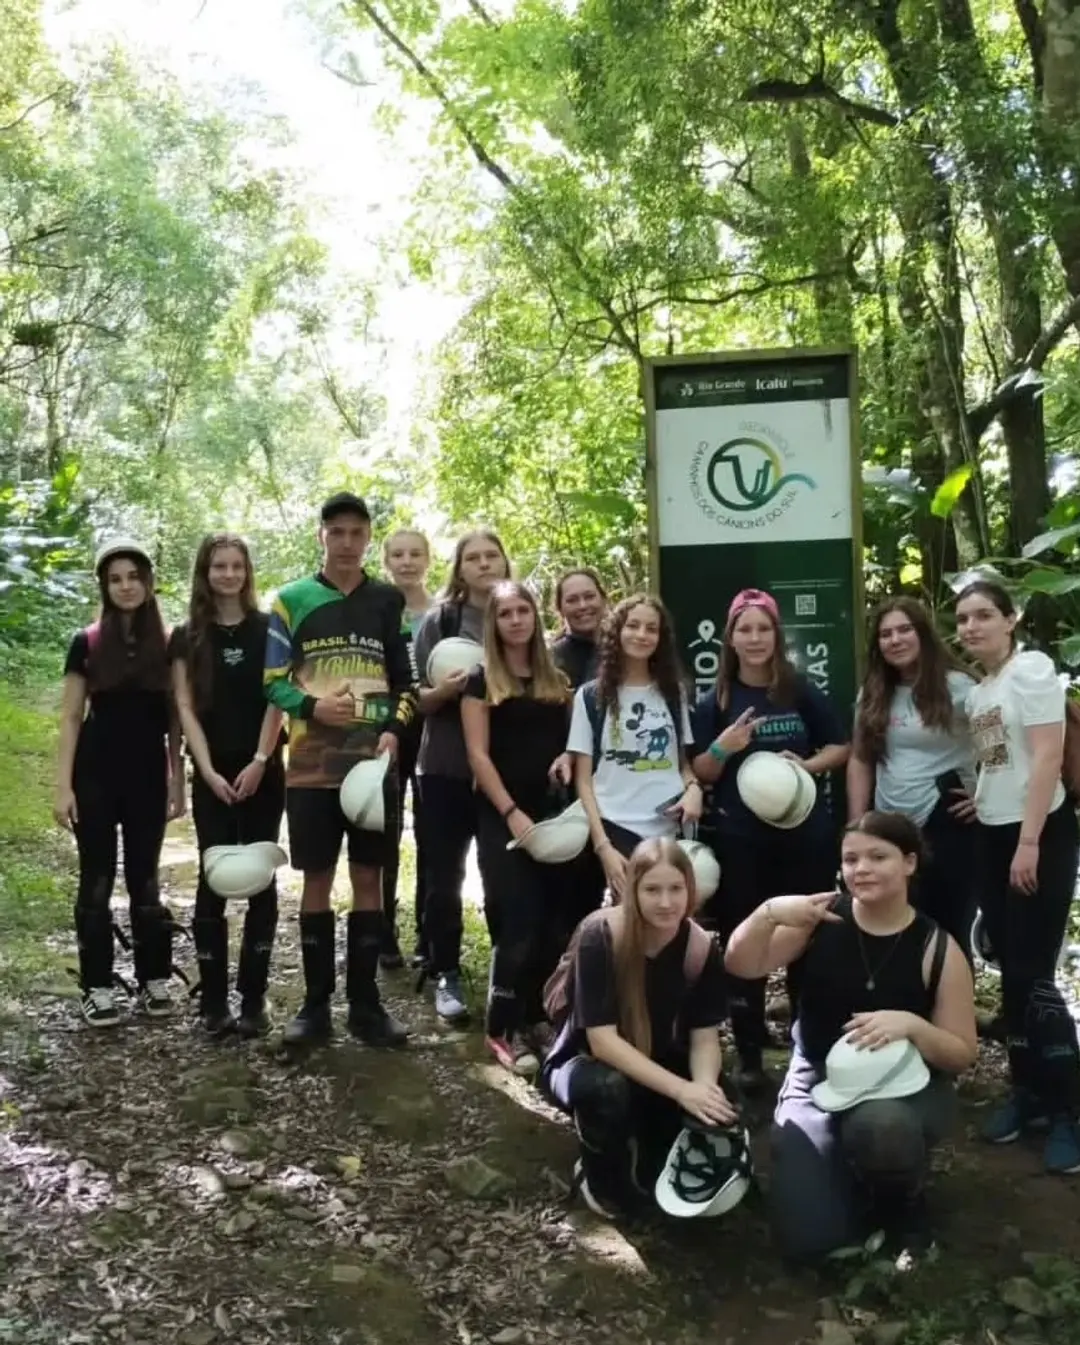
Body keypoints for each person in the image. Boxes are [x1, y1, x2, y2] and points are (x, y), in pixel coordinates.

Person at [725, 811, 976, 1261]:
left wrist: (913, 1026)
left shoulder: (938, 948)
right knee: (809, 1242)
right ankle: (842, 1176)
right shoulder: (821, 920)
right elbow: (742, 965)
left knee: (881, 1129)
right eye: (850, 859)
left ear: (909, 863)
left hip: (902, 1088)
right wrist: (767, 913)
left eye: (878, 857)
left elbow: (961, 1054)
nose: (861, 869)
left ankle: (901, 1204)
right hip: (817, 1075)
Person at [264, 492, 417, 1048]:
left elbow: (407, 685)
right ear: (321, 536)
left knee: (370, 876)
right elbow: (272, 682)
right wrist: (311, 707)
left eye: (357, 533)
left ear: (368, 537)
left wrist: (393, 731)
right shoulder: (290, 601)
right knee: (318, 879)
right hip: (310, 768)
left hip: (373, 769)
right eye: (337, 532)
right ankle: (315, 1006)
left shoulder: (388, 601)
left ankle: (366, 1005)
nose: (347, 543)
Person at [691, 588, 849, 1091]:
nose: (755, 638)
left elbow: (842, 747)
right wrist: (724, 747)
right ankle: (750, 1054)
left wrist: (806, 766)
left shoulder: (798, 690)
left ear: (776, 636)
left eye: (764, 629)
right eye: (745, 629)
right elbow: (701, 771)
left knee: (809, 935)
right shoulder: (715, 700)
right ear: (731, 638)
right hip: (741, 840)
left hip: (806, 836)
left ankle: (808, 1048)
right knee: (744, 937)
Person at [540, 837, 734, 1220]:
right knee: (607, 1090)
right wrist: (682, 1090)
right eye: (652, 890)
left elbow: (704, 1037)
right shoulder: (601, 935)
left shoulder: (699, 947)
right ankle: (599, 1177)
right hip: (584, 1064)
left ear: (691, 890)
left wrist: (704, 1090)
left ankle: (647, 1149)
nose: (666, 902)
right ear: (633, 891)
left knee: (723, 1103)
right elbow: (602, 1041)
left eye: (676, 888)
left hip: (661, 1061)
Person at [956, 579, 1080, 1172]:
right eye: (963, 619)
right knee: (1010, 972)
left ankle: (1068, 1109)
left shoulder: (1031, 670)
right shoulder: (981, 691)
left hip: (1039, 834)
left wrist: (1029, 841)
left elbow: (1047, 755)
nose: (971, 627)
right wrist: (980, 798)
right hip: (993, 835)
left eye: (984, 615)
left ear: (1011, 619)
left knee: (1034, 977)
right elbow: (1000, 763)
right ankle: (1027, 1090)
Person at [54, 537, 185, 1027]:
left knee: (144, 879)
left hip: (148, 775)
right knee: (97, 878)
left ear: (148, 583)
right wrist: (62, 786)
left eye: (133, 577)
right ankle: (98, 987)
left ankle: (154, 980)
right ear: (105, 587)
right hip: (94, 774)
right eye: (115, 579)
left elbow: (177, 719)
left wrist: (178, 781)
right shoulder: (86, 642)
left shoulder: (171, 643)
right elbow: (71, 717)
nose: (125, 586)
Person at [170, 533, 285, 1038]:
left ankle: (254, 998)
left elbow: (278, 698)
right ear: (205, 572)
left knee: (261, 878)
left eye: (237, 566)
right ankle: (213, 1002)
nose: (229, 574)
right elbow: (185, 707)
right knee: (212, 877)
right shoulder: (186, 636)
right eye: (219, 566)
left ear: (247, 572)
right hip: (212, 772)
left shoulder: (270, 627)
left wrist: (261, 759)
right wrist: (207, 770)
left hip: (264, 768)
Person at [461, 580, 574, 1074]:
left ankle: (537, 1018)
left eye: (522, 611)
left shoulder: (558, 680)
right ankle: (501, 1028)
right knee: (518, 921)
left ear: (535, 616)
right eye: (505, 614)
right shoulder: (480, 680)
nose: (515, 621)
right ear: (494, 622)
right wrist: (510, 812)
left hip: (553, 815)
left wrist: (567, 760)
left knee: (553, 921)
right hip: (502, 814)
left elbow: (574, 744)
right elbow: (477, 755)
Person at [412, 528, 511, 1023]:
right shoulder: (440, 620)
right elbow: (417, 698)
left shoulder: (517, 614)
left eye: (492, 555)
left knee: (502, 875)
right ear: (459, 568)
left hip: (501, 770)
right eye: (474, 557)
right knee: (444, 875)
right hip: (444, 768)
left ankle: (505, 973)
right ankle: (445, 971)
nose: (484, 564)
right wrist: (448, 690)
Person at [847, 598, 978, 955]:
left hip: (947, 818)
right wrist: (857, 825)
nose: (895, 640)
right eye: (885, 634)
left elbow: (1003, 743)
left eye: (905, 629)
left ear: (923, 633)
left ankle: (953, 993)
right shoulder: (873, 692)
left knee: (948, 927)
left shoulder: (959, 687)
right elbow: (860, 757)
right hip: (890, 825)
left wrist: (987, 795)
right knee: (894, 927)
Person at [568, 594, 701, 902]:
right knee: (628, 919)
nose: (642, 635)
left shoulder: (674, 693)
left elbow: (681, 764)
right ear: (617, 631)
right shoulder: (590, 697)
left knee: (669, 916)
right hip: (617, 828)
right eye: (633, 625)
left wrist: (693, 789)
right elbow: (583, 781)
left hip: (669, 831)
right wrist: (603, 847)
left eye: (651, 629)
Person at [380, 527, 435, 970]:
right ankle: (383, 930)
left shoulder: (441, 613)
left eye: (415, 554)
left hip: (435, 728)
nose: (407, 562)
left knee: (431, 833)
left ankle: (427, 931)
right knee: (386, 830)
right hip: (388, 727)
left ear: (428, 560)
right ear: (386, 562)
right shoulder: (376, 607)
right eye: (398, 554)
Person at [551, 568, 608, 689]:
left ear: (603, 600)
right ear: (560, 609)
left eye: (589, 597)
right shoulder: (550, 661)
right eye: (572, 600)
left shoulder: (624, 649)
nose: (582, 606)